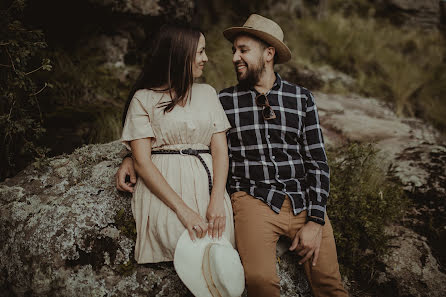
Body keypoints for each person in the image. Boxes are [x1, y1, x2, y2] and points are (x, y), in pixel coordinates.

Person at [117, 15, 348, 297]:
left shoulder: (301, 99)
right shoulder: (223, 101)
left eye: (243, 50)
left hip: (302, 199)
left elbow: (317, 162)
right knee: (260, 282)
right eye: (233, 51)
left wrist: (315, 220)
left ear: (269, 53)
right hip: (254, 200)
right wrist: (130, 156)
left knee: (330, 285)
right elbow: (180, 126)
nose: (234, 57)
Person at [119, 23, 235, 265]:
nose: (206, 58)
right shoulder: (144, 98)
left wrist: (216, 202)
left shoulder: (207, 93)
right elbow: (142, 161)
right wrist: (184, 211)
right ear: (181, 54)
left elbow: (221, 151)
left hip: (209, 187)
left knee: (218, 253)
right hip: (166, 192)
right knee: (180, 243)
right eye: (200, 51)